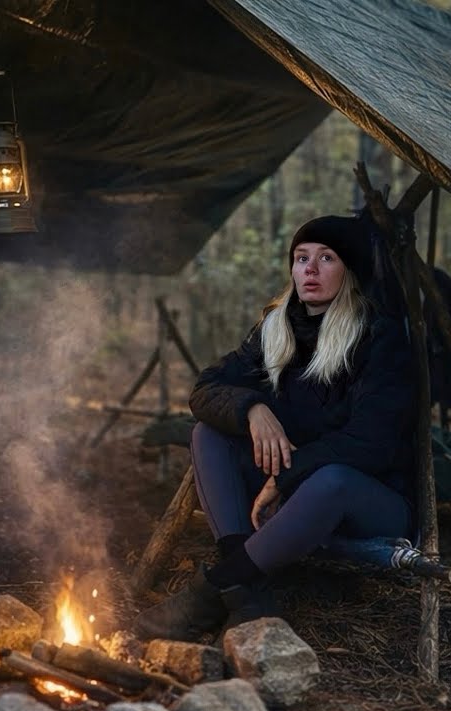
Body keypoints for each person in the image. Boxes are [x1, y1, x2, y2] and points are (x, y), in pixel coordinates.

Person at [134, 215, 417, 641]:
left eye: (327, 258)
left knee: (332, 480)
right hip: (288, 492)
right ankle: (246, 592)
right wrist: (252, 409)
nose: (310, 269)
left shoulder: (378, 337)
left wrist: (286, 477)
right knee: (207, 434)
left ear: (350, 271)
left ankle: (212, 591)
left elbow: (371, 444)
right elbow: (206, 389)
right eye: (302, 258)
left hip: (368, 502)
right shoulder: (275, 328)